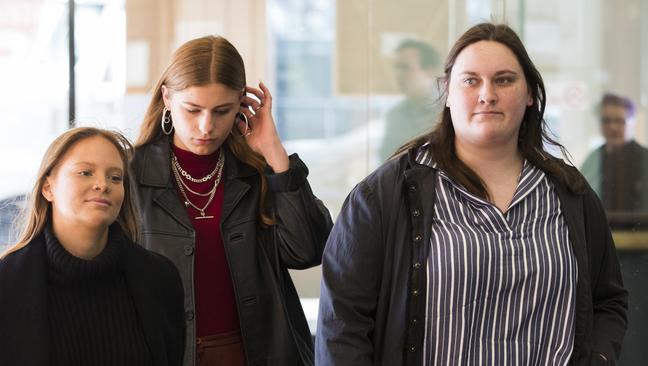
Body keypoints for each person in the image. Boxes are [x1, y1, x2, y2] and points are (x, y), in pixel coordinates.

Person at [317, 23, 627, 365]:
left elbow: (608, 301)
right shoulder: (384, 196)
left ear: (530, 95)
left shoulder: (570, 193)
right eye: (470, 80)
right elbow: (342, 325)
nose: (487, 94)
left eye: (504, 80)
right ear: (447, 92)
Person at [131, 35, 333, 366]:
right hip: (167, 353)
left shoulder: (259, 173)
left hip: (258, 353)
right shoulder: (130, 175)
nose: (206, 126)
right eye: (192, 110)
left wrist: (274, 153)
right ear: (167, 97)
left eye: (222, 111)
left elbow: (308, 250)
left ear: (242, 104)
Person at [0, 127, 184, 366]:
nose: (102, 184)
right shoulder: (7, 283)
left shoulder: (160, 277)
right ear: (48, 188)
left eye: (115, 177)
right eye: (85, 172)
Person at [581, 93, 648, 212]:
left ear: (632, 122)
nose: (612, 127)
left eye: (619, 121)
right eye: (606, 121)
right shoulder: (593, 158)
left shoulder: (646, 158)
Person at [379, 39, 442, 160]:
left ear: (430, 71)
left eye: (405, 67)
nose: (398, 75)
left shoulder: (449, 113)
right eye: (396, 68)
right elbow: (386, 162)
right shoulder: (394, 115)